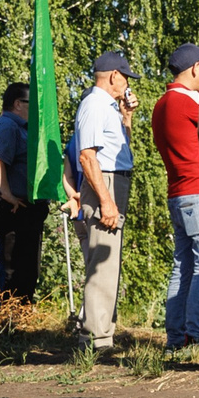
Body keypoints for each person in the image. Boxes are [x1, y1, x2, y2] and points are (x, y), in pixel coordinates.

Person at [152, 44, 199, 352]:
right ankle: (195, 335)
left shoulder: (161, 104)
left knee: (183, 266)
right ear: (195, 68)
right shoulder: (187, 102)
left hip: (178, 192)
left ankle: (176, 338)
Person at [73, 52, 137, 355]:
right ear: (114, 75)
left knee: (108, 261)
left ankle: (100, 333)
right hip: (105, 183)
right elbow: (88, 157)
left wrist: (126, 117)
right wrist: (106, 202)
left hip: (113, 180)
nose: (126, 84)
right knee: (102, 261)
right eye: (125, 77)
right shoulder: (95, 104)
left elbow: (117, 147)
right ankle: (97, 339)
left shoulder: (106, 106)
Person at [0, 83, 41, 298]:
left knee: (24, 269)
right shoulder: (8, 126)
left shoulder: (15, 126)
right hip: (14, 208)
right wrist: (6, 193)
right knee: (12, 270)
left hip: (21, 207)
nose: (34, 110)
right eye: (30, 104)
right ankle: (5, 323)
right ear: (17, 104)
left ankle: (17, 322)